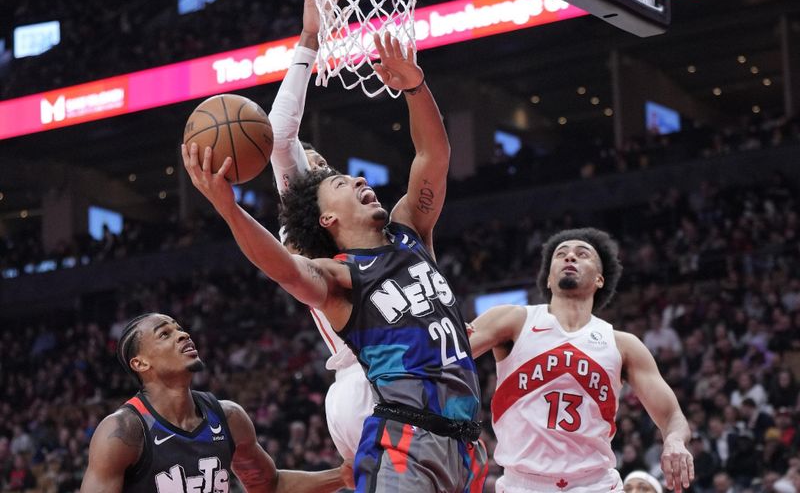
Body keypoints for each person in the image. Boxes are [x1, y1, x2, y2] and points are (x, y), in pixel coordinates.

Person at [182, 32, 487, 492]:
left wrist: (415, 88)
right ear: (326, 217)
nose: (359, 178)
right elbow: (284, 268)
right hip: (406, 437)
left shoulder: (411, 233)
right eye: (341, 182)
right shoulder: (340, 277)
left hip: (466, 442)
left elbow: (433, 155)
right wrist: (230, 209)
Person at [469, 228, 694, 493]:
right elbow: (446, 353)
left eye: (582, 254)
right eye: (561, 254)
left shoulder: (623, 345)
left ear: (600, 279)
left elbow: (672, 416)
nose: (570, 257)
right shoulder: (514, 321)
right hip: (523, 483)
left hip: (595, 484)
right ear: (549, 279)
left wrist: (675, 441)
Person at [267, 0, 373, 462]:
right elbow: (280, 138)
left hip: (395, 369)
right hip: (366, 375)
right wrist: (309, 43)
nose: (317, 165)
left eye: (323, 163)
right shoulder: (306, 226)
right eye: (310, 166)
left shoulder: (374, 222)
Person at [80, 313, 352, 492]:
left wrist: (341, 476)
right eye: (165, 334)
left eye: (180, 329)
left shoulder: (228, 417)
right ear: (140, 363)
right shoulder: (123, 432)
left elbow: (271, 485)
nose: (182, 335)